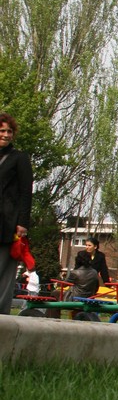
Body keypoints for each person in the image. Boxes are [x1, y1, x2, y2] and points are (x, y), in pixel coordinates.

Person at [0, 112, 32, 316]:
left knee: (4, 270)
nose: (6, 134)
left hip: (7, 222)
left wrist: (22, 223)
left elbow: (26, 192)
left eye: (9, 131)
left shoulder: (19, 158)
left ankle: (1, 317)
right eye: (2, 130)